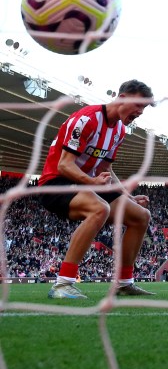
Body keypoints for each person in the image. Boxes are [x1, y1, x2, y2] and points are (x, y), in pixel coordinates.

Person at [38, 79, 156, 299]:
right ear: (122, 98)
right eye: (139, 106)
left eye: (144, 108)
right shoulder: (86, 119)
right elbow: (64, 165)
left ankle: (124, 284)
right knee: (100, 208)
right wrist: (91, 182)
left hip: (86, 183)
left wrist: (128, 196)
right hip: (55, 183)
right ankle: (62, 285)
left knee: (141, 216)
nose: (140, 112)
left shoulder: (119, 130)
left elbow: (105, 169)